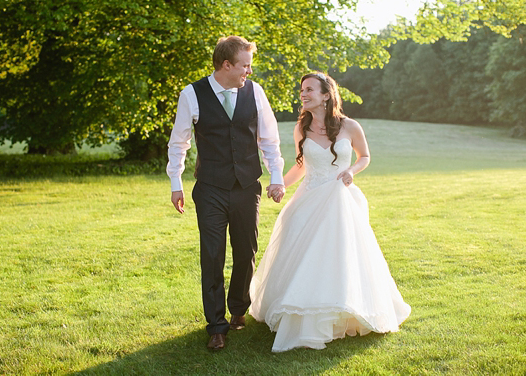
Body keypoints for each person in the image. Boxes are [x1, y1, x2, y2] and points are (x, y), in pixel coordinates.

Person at [249, 72, 411, 352]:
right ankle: (301, 308)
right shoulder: (302, 127)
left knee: (339, 255)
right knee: (303, 253)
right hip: (309, 198)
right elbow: (301, 166)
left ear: (326, 95)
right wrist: (280, 184)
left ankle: (341, 309)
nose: (303, 93)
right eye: (302, 89)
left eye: (310, 89)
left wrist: (351, 170)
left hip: (339, 199)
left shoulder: (350, 127)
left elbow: (365, 157)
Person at [167, 36, 285, 351]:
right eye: (244, 65)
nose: (249, 71)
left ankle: (238, 309)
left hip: (247, 187)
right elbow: (179, 142)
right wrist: (176, 183)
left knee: (246, 252)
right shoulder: (191, 94)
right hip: (210, 189)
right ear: (226, 65)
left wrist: (276, 176)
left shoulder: (255, 92)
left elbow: (269, 140)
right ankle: (216, 326)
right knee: (212, 256)